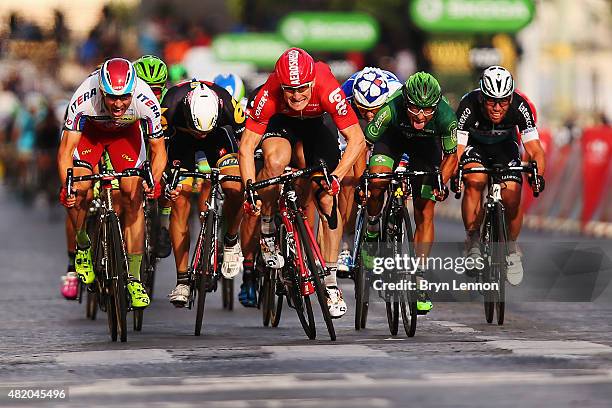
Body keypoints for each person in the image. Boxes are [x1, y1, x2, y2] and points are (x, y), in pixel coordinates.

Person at [239, 47, 366, 318]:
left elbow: (357, 140)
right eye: (290, 90)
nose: (296, 96)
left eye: (302, 89)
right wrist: (251, 189)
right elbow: (247, 147)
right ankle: (269, 228)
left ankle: (330, 282)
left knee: (326, 197)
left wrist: (336, 177)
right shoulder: (270, 92)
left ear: (312, 82)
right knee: (275, 161)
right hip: (281, 123)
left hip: (316, 125)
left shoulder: (327, 87)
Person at [57, 58, 166, 308]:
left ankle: (135, 278)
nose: (118, 104)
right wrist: (68, 187)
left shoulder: (145, 99)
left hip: (125, 137)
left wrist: (155, 181)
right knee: (80, 189)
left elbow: (158, 150)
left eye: (124, 98)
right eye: (112, 98)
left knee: (132, 197)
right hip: (90, 136)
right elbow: (66, 151)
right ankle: (83, 244)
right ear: (102, 90)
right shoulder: (85, 96)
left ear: (133, 90)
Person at [364, 72, 458, 314]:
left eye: (428, 110)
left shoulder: (446, 117)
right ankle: (372, 229)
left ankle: (419, 276)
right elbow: (365, 143)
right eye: (415, 108)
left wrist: (441, 182)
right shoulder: (391, 107)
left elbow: (451, 157)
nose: (420, 115)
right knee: (377, 182)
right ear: (405, 101)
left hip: (426, 149)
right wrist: (363, 176)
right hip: (392, 141)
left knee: (425, 211)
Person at [455, 65, 545, 285]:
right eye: (491, 101)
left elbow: (535, 150)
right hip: (475, 147)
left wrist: (537, 176)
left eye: (503, 101)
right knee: (474, 180)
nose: (497, 107)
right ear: (482, 97)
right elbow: (457, 148)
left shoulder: (520, 105)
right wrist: (455, 174)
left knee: (512, 196)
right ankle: (473, 239)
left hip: (505, 147)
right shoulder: (468, 104)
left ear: (510, 97)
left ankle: (512, 247)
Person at [162, 80, 245, 307]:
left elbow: (246, 141)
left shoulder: (227, 102)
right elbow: (157, 145)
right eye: (199, 130)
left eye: (204, 131)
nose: (201, 135)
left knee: (235, 188)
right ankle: (182, 281)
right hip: (181, 140)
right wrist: (164, 180)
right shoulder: (170, 104)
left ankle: (230, 240)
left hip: (218, 138)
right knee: (179, 200)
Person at [336, 67, 402, 272]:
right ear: (355, 102)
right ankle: (346, 245)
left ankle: (392, 222)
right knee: (348, 181)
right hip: (355, 130)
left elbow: (406, 140)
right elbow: (346, 147)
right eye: (364, 109)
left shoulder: (397, 95)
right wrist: (359, 179)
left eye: (375, 109)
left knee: (397, 170)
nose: (370, 115)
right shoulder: (344, 98)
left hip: (390, 129)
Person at [133, 54, 174, 260]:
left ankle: (164, 227)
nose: (149, 94)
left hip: (161, 146)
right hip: (134, 145)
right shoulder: (127, 98)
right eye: (145, 87)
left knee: (169, 181)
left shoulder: (169, 99)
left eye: (155, 90)